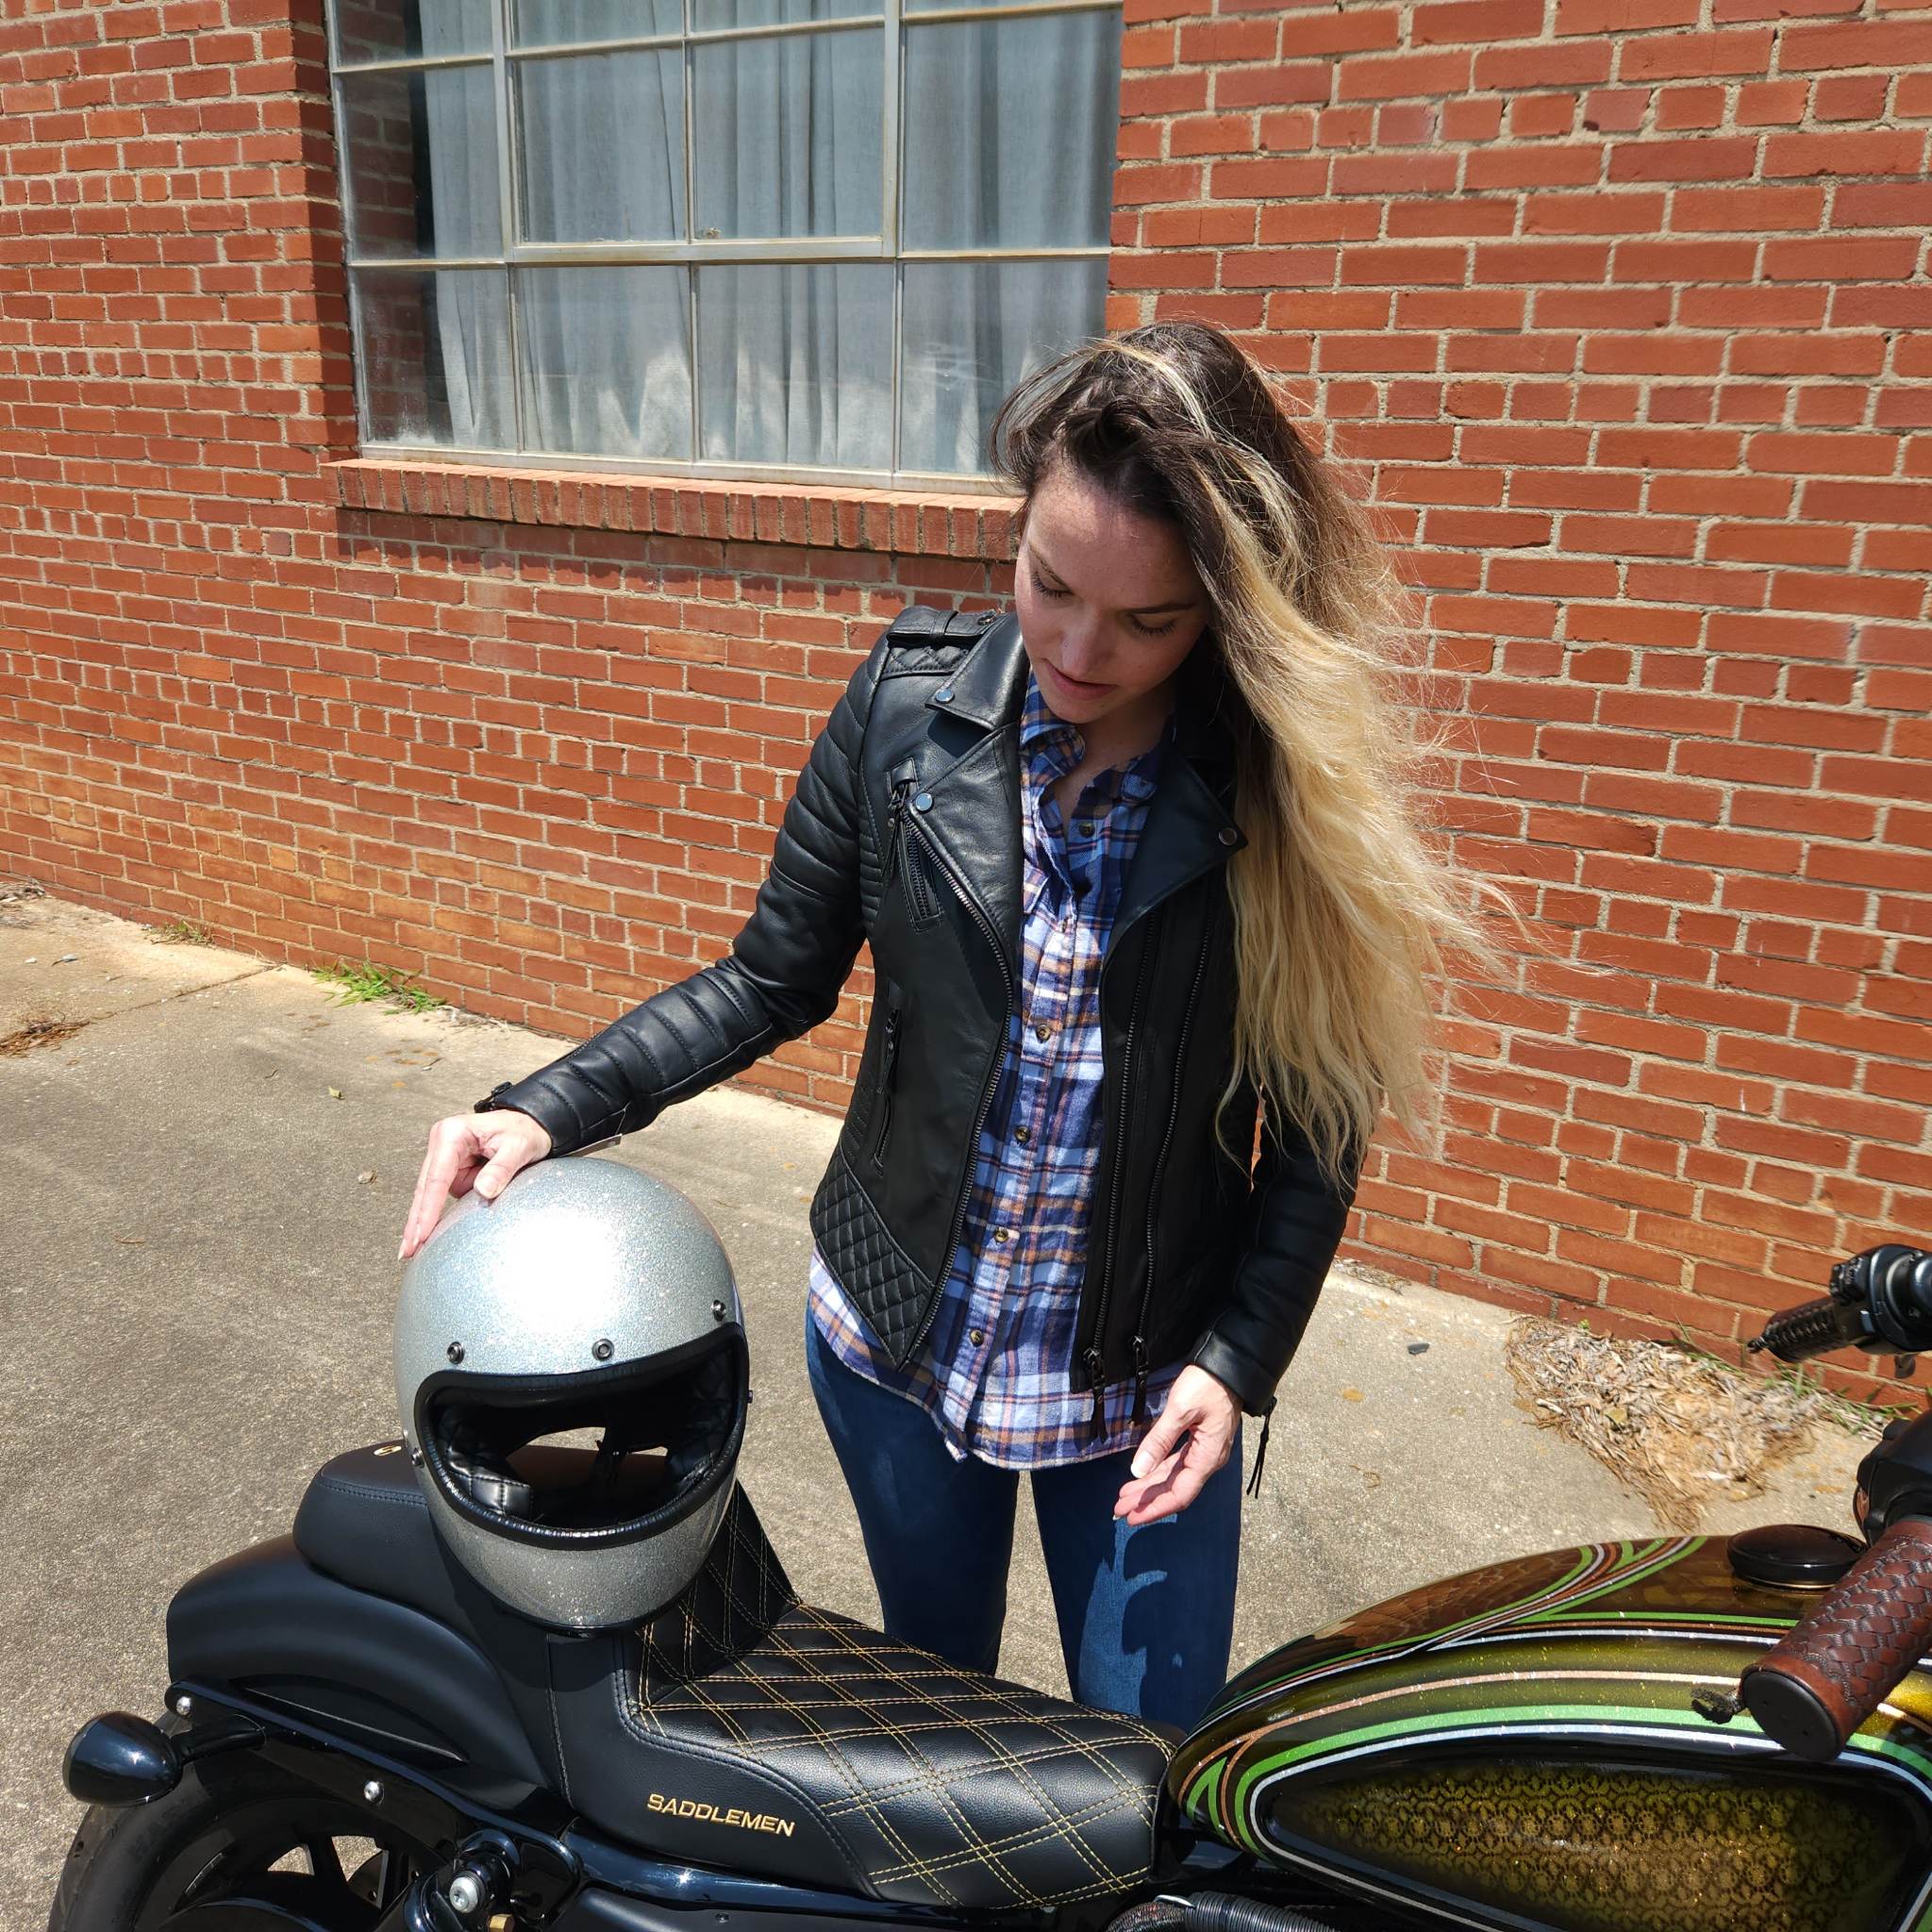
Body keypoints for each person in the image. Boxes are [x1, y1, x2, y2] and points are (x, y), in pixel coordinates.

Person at [399, 319, 1498, 1732]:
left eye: (1148, 620)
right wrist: (548, 1102)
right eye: (1050, 584)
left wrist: (1236, 1367)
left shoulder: (1278, 792)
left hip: (1145, 1392)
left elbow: (1320, 1127)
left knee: (1150, 1775)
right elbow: (769, 978)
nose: (1080, 647)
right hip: (901, 1351)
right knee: (945, 1732)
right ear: (1019, 521)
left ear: (1223, 608)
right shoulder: (907, 710)